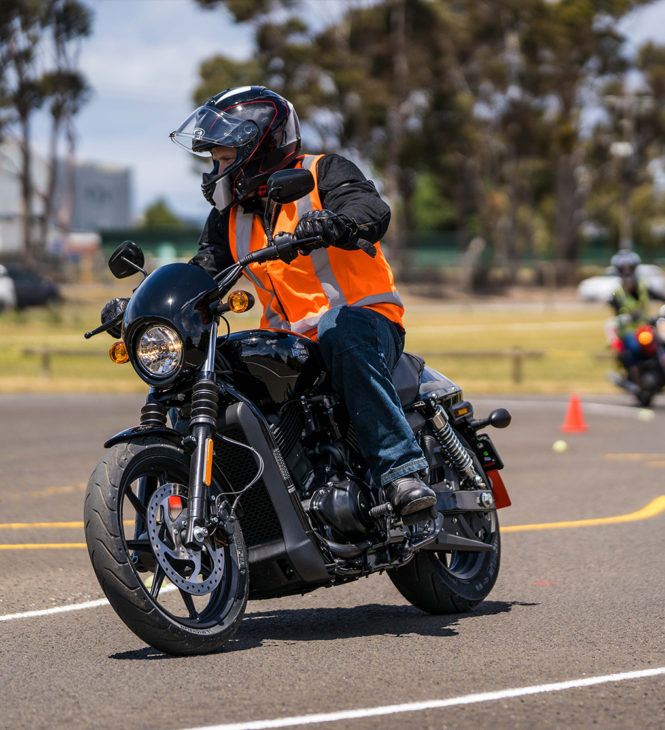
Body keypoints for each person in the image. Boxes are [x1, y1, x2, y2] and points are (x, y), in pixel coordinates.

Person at [102, 86, 435, 517]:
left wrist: (336, 221)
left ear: (256, 150)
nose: (215, 171)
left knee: (339, 329)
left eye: (222, 159)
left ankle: (400, 471)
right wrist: (139, 308)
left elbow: (369, 208)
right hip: (292, 344)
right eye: (214, 161)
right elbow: (201, 271)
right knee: (216, 364)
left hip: (365, 324)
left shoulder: (322, 173)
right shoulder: (230, 215)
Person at [608, 248, 665, 386]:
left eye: (630, 267)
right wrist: (626, 318)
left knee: (661, 342)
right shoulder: (617, 293)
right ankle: (637, 379)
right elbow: (615, 315)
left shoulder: (643, 286)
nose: (627, 271)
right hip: (629, 331)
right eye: (623, 268)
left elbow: (660, 297)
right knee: (634, 348)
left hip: (647, 327)